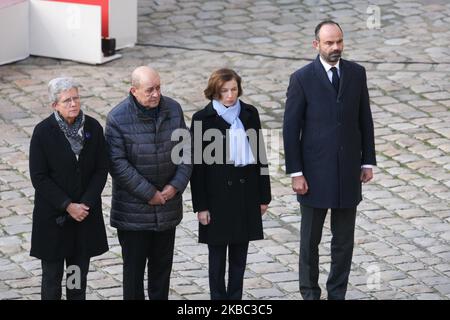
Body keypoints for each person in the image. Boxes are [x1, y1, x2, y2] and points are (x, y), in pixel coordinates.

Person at [283, 20, 376, 300]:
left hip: (348, 172)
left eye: (339, 42)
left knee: (344, 242)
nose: (336, 47)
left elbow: (365, 119)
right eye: (329, 43)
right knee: (310, 241)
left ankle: (337, 293)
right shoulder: (302, 78)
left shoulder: (357, 74)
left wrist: (367, 161)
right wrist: (296, 173)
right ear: (316, 45)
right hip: (313, 175)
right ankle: (310, 293)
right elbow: (290, 128)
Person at [105, 66, 192, 300]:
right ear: (133, 91)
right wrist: (149, 193)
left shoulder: (173, 109)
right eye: (149, 90)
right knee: (133, 276)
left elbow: (187, 150)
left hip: (167, 207)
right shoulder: (117, 118)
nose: (156, 94)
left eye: (159, 88)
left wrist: (175, 185)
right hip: (134, 213)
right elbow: (117, 164)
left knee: (161, 273)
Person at [190, 68, 272, 300]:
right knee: (216, 260)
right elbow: (197, 168)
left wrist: (264, 197)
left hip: (245, 194)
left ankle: (235, 300)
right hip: (216, 199)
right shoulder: (202, 119)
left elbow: (260, 155)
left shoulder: (249, 113)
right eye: (224, 91)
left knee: (239, 258)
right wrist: (201, 206)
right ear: (215, 93)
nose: (230, 95)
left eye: (233, 89)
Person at [29, 77, 109, 300]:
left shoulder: (92, 127)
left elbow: (101, 169)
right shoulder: (43, 132)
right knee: (52, 278)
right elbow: (39, 177)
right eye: (67, 101)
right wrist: (67, 205)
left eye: (76, 98)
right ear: (55, 105)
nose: (73, 104)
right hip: (54, 221)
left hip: (83, 219)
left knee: (76, 278)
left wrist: (85, 204)